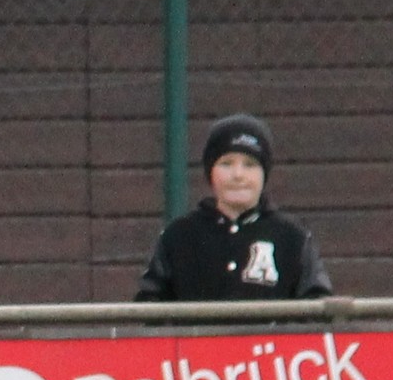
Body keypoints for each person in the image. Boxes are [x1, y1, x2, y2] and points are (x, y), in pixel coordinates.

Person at [135, 114, 333, 301]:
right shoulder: (178, 236)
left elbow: (317, 308)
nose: (238, 175)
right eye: (226, 164)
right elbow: (151, 306)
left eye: (250, 164)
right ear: (210, 172)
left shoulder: (293, 238)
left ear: (264, 174)